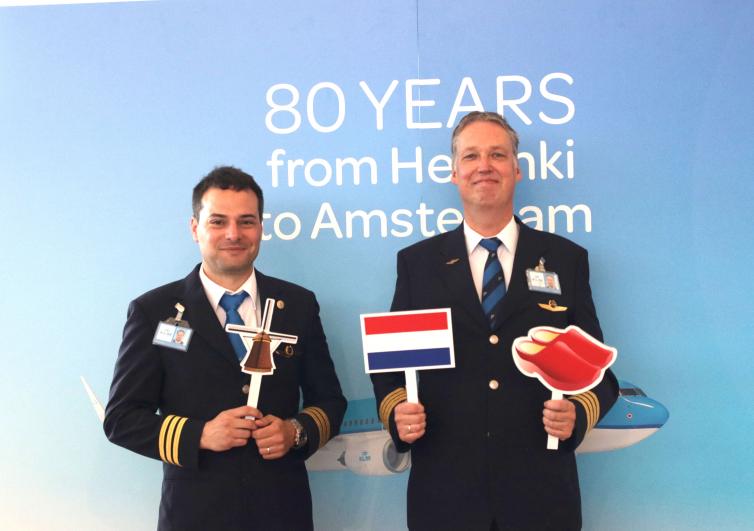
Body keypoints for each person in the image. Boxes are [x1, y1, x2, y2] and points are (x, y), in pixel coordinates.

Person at [371, 112, 618, 531]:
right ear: (454, 172)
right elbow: (392, 371)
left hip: (541, 497)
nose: (484, 165)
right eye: (471, 156)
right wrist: (397, 413)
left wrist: (578, 412)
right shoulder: (417, 265)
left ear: (517, 170)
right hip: (444, 498)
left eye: (497, 155)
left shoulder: (565, 260)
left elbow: (599, 373)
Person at [104, 166, 346, 531]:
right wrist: (200, 434)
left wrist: (294, 431)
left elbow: (330, 402)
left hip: (282, 513)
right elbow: (121, 419)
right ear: (194, 228)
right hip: (194, 515)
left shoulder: (297, 305)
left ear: (260, 228)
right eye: (218, 221)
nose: (233, 234)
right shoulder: (154, 311)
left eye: (246, 221)